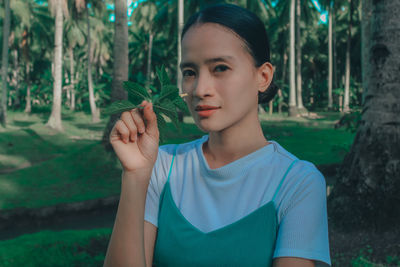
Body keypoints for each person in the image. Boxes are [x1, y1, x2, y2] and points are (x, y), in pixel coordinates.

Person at [104, 3, 331, 267]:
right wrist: (135, 176)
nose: (200, 89)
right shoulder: (160, 166)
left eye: (220, 68)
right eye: (190, 72)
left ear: (263, 76)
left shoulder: (298, 183)